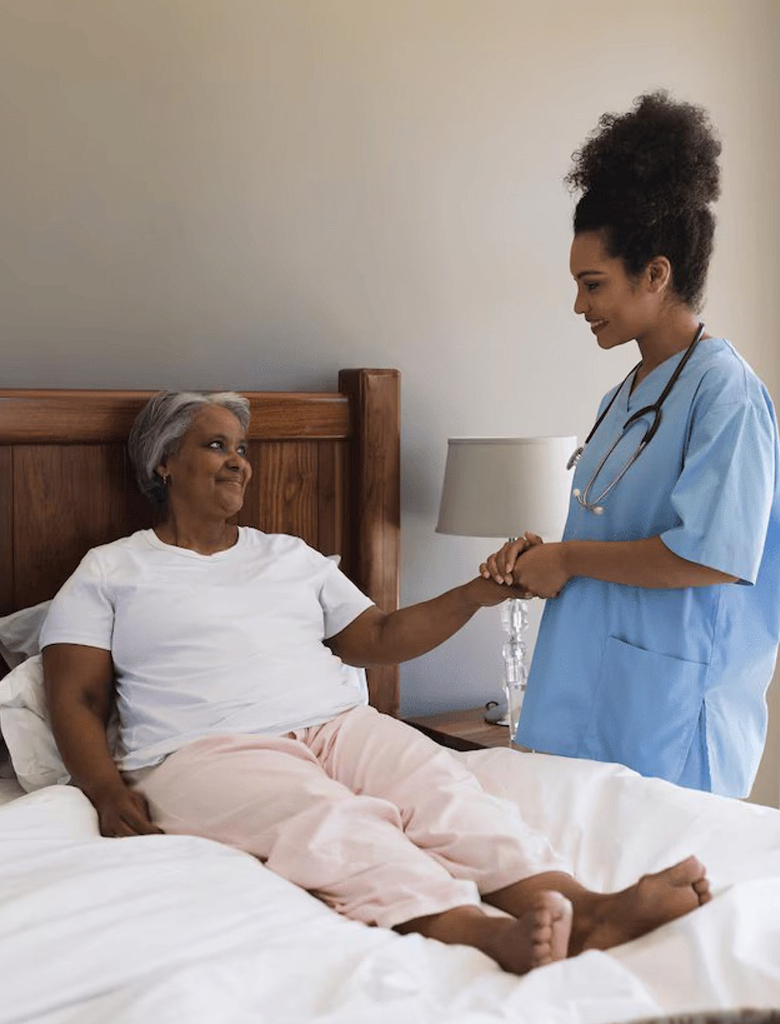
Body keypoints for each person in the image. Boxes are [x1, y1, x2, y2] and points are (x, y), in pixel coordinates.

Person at [42, 389, 711, 976]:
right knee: (327, 820)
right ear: (163, 464)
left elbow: (381, 638)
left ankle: (583, 907)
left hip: (335, 723)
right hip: (204, 749)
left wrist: (478, 592)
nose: (240, 460)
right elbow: (77, 695)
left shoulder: (291, 557)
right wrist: (103, 790)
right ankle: (490, 937)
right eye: (216, 445)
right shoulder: (112, 571)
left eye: (242, 447)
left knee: (440, 785)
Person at [481, 92, 780, 798]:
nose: (579, 305)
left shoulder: (727, 394)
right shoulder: (624, 396)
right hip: (586, 696)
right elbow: (612, 524)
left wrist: (569, 558)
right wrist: (543, 554)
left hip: (668, 715)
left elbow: (707, 555)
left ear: (656, 274)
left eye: (594, 285)